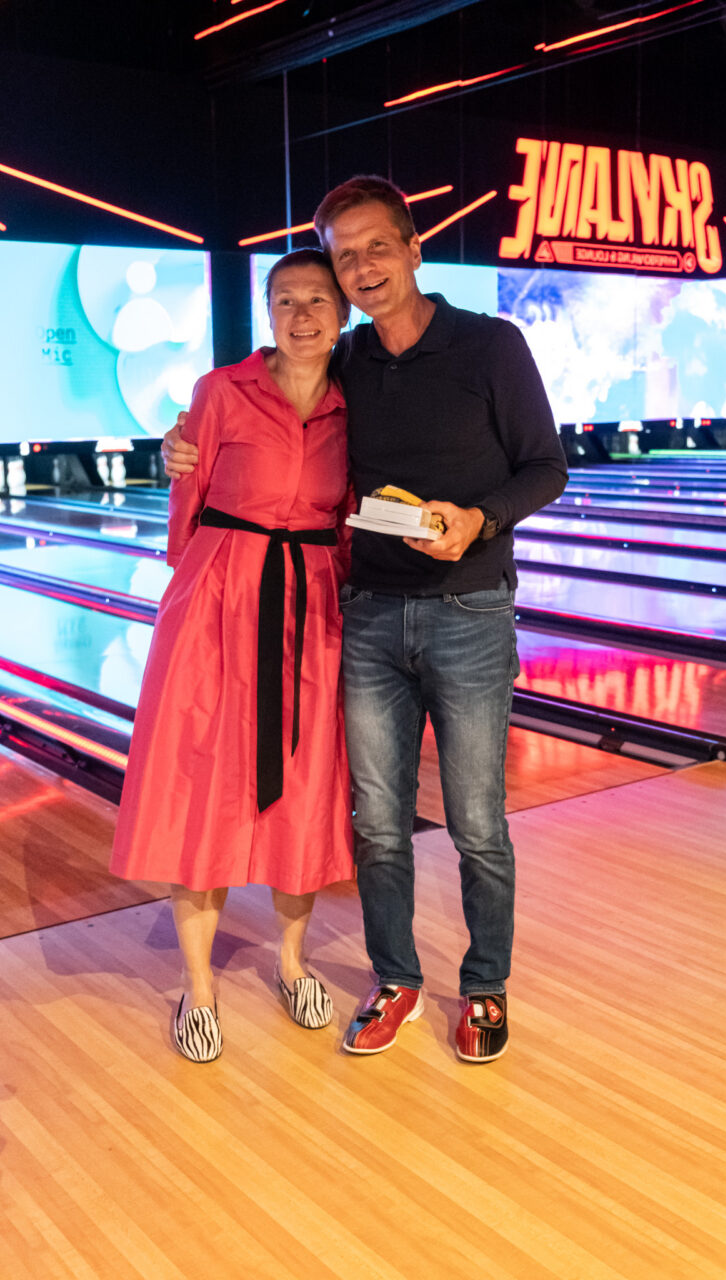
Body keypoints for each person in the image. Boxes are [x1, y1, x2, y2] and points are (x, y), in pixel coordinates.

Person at [165, 177, 567, 1063]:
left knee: (475, 822)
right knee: (378, 823)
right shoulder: (343, 362)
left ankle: (485, 987)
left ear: (413, 247)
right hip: (368, 615)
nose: (360, 267)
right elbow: (260, 398)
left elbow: (546, 466)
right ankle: (396, 980)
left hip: (468, 609)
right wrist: (180, 444)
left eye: (375, 246)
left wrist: (479, 519)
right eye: (343, 255)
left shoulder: (490, 345)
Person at [112, 248, 355, 1063]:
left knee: (305, 785)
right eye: (285, 300)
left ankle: (290, 962)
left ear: (342, 313)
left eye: (317, 299)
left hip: (309, 602)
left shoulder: (352, 404)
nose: (301, 315)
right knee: (201, 783)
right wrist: (197, 591)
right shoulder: (220, 390)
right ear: (268, 311)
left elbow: (349, 518)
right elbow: (186, 500)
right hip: (219, 599)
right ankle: (199, 986)